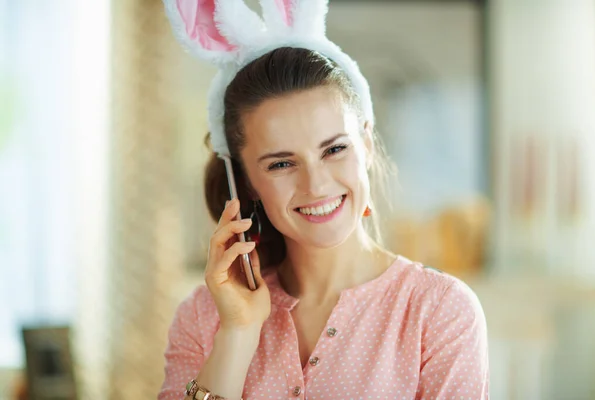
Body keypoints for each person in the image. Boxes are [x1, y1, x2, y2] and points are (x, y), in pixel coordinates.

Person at [159, 1, 489, 399]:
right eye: (281, 163)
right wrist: (238, 333)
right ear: (244, 183)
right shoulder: (204, 315)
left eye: (333, 150)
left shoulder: (438, 311)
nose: (315, 185)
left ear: (365, 145)